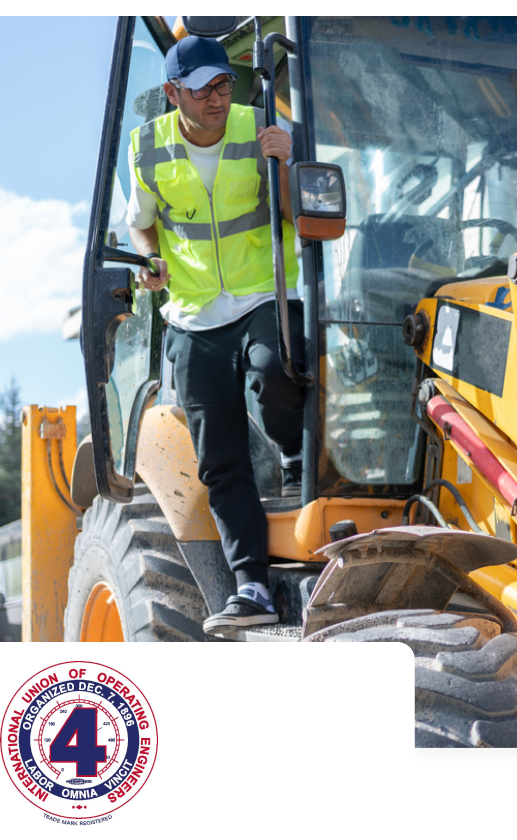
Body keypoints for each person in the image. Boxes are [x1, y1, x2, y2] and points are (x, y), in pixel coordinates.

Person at [126, 35, 304, 634]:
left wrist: (283, 161)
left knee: (274, 368)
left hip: (261, 294)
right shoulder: (146, 148)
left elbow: (292, 215)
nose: (218, 98)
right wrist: (153, 265)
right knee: (219, 461)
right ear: (174, 93)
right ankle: (251, 584)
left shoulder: (262, 128)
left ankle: (290, 446)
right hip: (193, 314)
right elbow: (145, 227)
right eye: (204, 90)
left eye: (225, 85)